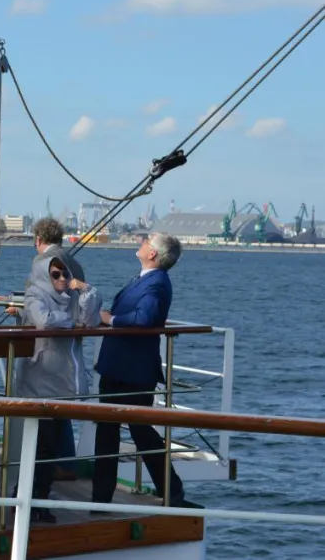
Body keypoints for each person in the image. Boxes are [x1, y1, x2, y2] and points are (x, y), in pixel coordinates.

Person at [92, 233, 202, 509]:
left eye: (146, 241)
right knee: (111, 431)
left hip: (132, 370)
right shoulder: (145, 278)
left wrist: (111, 319)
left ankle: (169, 488)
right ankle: (102, 497)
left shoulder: (157, 283)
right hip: (120, 365)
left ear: (152, 253)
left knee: (135, 431)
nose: (141, 242)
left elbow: (145, 318)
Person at [17, 256, 101, 523]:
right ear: (45, 275)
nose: (62, 279)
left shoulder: (73, 296)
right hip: (41, 379)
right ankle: (29, 500)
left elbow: (91, 320)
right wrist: (71, 321)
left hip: (63, 381)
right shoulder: (35, 294)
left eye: (65, 273)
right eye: (56, 274)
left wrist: (86, 290)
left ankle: (35, 498)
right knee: (43, 446)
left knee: (49, 447)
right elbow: (43, 321)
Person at [11, 217, 85, 478]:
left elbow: (42, 310)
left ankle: (51, 466)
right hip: (69, 344)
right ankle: (65, 462)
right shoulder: (73, 262)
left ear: (38, 239)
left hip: (49, 345)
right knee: (61, 406)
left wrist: (24, 313)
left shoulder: (43, 262)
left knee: (45, 410)